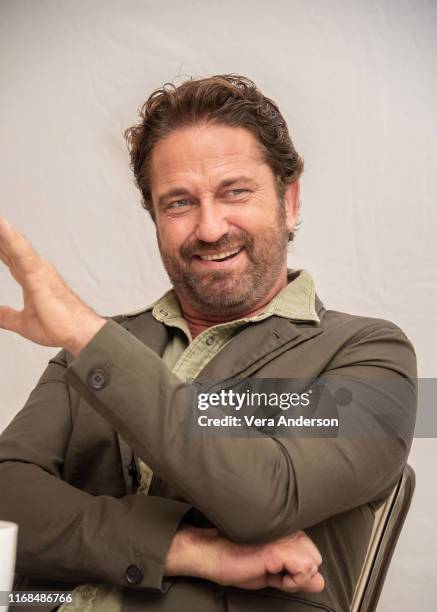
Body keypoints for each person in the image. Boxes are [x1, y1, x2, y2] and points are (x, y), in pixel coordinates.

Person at [0, 74, 416, 612]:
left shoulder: (373, 354)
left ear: (289, 200)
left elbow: (263, 498)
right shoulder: (106, 345)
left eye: (235, 191)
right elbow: (4, 500)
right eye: (179, 203)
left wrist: (83, 331)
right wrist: (185, 548)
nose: (210, 227)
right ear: (154, 217)